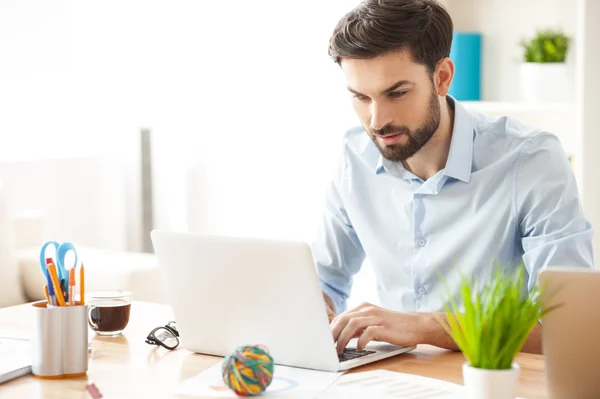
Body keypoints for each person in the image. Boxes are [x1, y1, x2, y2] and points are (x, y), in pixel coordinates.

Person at [313, 0, 593, 356]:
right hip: (393, 381)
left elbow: (567, 327)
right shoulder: (355, 157)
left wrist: (425, 326)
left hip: (496, 384)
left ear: (442, 77)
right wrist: (313, 314)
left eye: (397, 93)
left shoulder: (532, 160)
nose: (376, 120)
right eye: (360, 97)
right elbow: (323, 280)